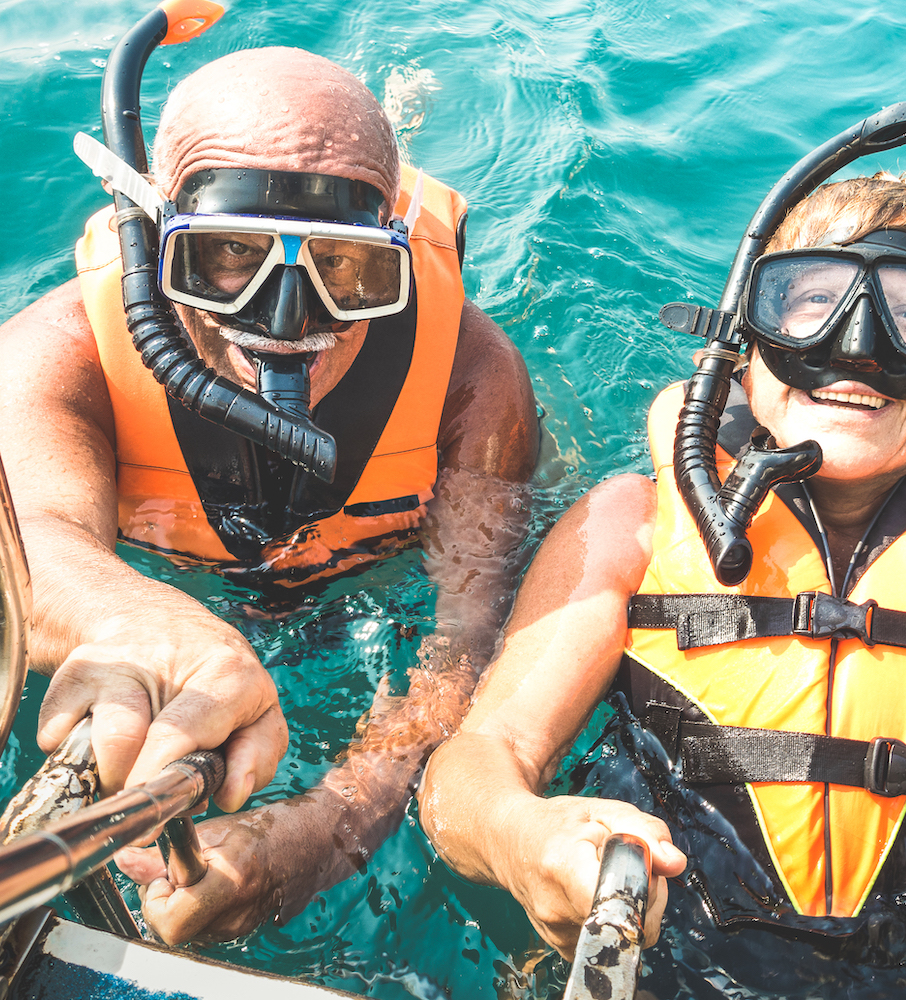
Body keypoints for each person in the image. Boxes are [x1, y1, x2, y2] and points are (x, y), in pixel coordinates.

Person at [0, 37, 537, 944]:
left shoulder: (474, 381)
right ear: (150, 238)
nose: (286, 319)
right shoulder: (60, 357)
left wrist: (339, 825)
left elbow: (466, 638)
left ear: (396, 254)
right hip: (180, 593)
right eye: (226, 258)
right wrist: (130, 620)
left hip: (367, 586)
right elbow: (30, 534)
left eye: (345, 269)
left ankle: (401, 107)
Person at [419, 163, 906, 995]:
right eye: (811, 305)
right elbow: (475, 764)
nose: (859, 348)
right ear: (743, 349)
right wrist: (525, 837)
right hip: (671, 957)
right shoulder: (633, 526)